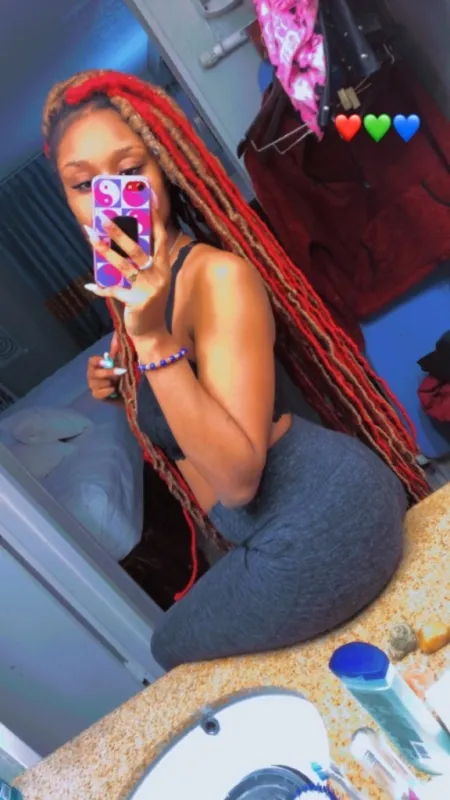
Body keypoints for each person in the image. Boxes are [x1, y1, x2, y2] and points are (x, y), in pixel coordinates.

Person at [42, 70, 428, 671]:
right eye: (84, 184)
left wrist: (152, 341)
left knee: (168, 648)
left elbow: (239, 480)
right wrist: (125, 388)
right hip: (282, 523)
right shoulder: (134, 296)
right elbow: (185, 410)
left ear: (165, 168)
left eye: (130, 170)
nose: (109, 197)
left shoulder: (216, 276)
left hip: (320, 516)